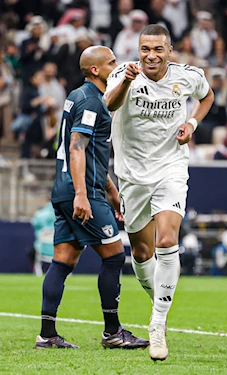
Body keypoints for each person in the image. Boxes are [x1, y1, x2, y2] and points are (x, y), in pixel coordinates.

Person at [104, 25, 214, 361]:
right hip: (132, 175)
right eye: (145, 49)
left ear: (170, 50)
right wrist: (126, 80)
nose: (151, 55)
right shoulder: (123, 74)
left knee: (167, 240)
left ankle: (157, 324)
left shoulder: (188, 76)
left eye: (158, 49)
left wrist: (192, 124)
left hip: (171, 167)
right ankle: (160, 304)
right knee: (140, 252)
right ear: (138, 50)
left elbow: (206, 96)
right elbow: (110, 104)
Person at [35, 46, 149, 350]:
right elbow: (77, 148)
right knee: (114, 257)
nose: (116, 64)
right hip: (80, 191)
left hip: (65, 189)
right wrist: (83, 195)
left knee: (63, 260)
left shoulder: (81, 95)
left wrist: (112, 194)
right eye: (111, 62)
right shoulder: (89, 101)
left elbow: (94, 151)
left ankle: (47, 335)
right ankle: (113, 332)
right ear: (95, 70)